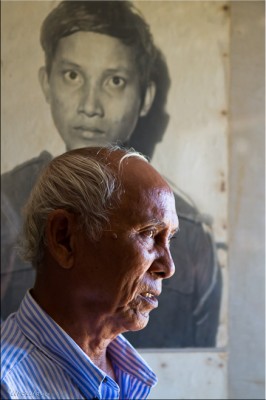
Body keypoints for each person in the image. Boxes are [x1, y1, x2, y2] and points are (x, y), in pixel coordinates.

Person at [1, 0, 222, 347]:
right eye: (73, 75)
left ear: (145, 96)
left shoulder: (192, 238)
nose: (90, 106)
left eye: (115, 80)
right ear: (47, 82)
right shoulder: (4, 202)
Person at [1, 146, 179, 400]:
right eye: (149, 234)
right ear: (64, 238)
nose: (168, 267)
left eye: (169, 239)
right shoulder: (8, 385)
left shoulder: (127, 375)